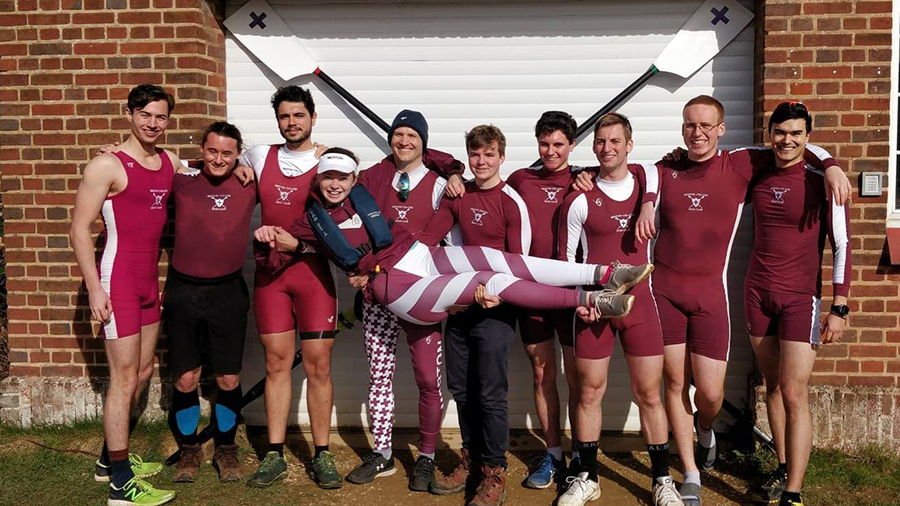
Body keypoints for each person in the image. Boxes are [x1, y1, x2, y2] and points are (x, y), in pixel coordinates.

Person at [575, 95, 850, 505]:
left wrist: (829, 164)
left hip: (711, 295)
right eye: (690, 125)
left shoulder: (741, 163)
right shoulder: (662, 169)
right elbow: (618, 171)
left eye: (706, 125)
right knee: (673, 383)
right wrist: (589, 178)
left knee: (709, 394)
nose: (697, 133)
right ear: (682, 128)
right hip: (664, 293)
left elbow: (790, 144)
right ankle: (688, 471)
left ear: (721, 129)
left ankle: (706, 429)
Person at [555, 113, 681, 506]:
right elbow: (565, 261)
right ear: (593, 148)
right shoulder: (578, 199)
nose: (607, 148)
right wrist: (580, 302)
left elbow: (659, 172)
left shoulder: (649, 187)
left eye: (615, 141)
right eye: (600, 142)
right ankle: (587, 475)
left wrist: (646, 202)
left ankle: (662, 479)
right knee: (589, 392)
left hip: (641, 307)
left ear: (629, 145)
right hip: (596, 308)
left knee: (650, 394)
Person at [71, 84, 183, 506]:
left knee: (141, 372)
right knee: (121, 380)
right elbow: (78, 229)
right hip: (117, 279)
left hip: (147, 283)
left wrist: (243, 167)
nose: (153, 123)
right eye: (146, 115)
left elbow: (210, 166)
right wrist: (95, 289)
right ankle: (121, 486)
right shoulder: (105, 166)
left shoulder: (169, 160)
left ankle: (108, 462)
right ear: (129, 114)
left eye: (161, 117)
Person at [344, 110, 467, 491]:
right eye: (398, 134)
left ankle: (427, 457)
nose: (404, 141)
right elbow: (351, 225)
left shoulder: (439, 183)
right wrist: (358, 267)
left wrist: (455, 289)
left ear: (423, 142)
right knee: (380, 376)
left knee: (429, 379)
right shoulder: (372, 178)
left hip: (420, 295)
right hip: (378, 294)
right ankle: (383, 453)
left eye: (412, 135)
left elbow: (453, 242)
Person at [744, 102, 851, 506]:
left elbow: (843, 245)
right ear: (769, 133)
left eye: (796, 134)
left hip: (799, 298)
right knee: (772, 386)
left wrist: (839, 307)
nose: (787, 140)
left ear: (808, 137)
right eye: (780, 132)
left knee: (794, 391)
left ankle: (793, 493)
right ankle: (783, 465)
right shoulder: (757, 170)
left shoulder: (823, 180)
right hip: (756, 294)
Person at [240, 85, 342, 489]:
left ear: (312, 118)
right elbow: (210, 164)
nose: (291, 123)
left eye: (299, 115)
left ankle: (322, 455)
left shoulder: (328, 161)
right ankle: (274, 454)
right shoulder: (259, 156)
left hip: (314, 276)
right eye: (284, 116)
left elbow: (354, 208)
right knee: (275, 364)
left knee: (318, 365)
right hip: (271, 279)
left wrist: (452, 171)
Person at [164, 121, 256, 484]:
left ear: (238, 154)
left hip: (228, 292)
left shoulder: (250, 183)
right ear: (201, 150)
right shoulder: (181, 178)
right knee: (187, 378)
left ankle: (226, 449)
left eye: (227, 153)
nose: (219, 159)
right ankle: (189, 451)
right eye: (212, 151)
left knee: (228, 378)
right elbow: (148, 164)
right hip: (183, 291)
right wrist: (113, 151)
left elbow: (295, 180)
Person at [505, 111, 582, 488]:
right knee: (542, 374)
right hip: (531, 290)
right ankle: (553, 455)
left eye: (558, 144)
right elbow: (483, 192)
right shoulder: (521, 179)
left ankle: (583, 456)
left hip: (571, 292)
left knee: (579, 376)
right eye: (545, 144)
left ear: (572, 145)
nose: (551, 151)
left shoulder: (585, 179)